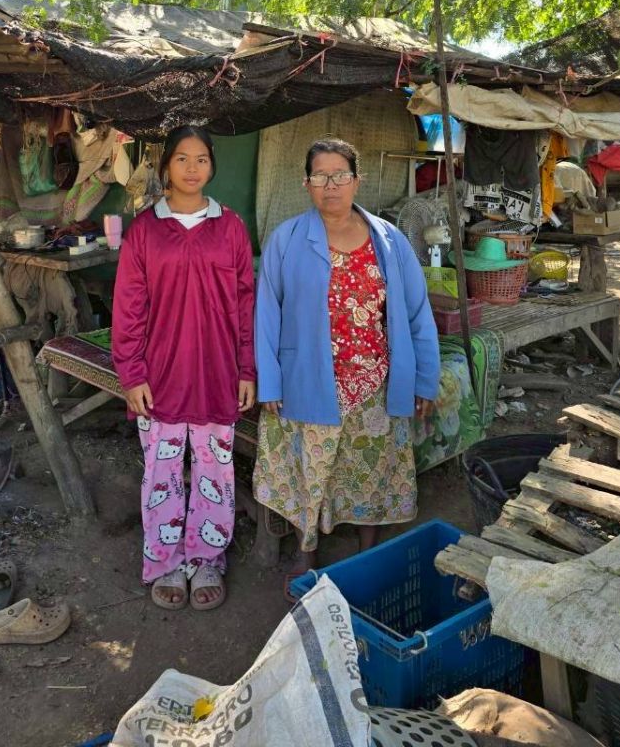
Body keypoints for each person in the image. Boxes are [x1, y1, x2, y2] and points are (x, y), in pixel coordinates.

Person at [253, 137, 440, 595]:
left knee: (371, 470)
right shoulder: (286, 239)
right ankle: (307, 554)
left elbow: (417, 313)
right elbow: (267, 314)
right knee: (309, 471)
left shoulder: (389, 240)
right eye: (320, 176)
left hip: (375, 381)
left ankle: (365, 553)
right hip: (307, 380)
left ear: (358, 181)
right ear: (306, 183)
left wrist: (424, 379)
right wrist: (269, 382)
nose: (331, 185)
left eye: (340, 175)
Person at [112, 125, 256, 611]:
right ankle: (166, 561)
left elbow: (245, 302)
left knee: (215, 471)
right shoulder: (145, 230)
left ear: (212, 166)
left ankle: (207, 558)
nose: (192, 169)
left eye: (201, 159)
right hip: (161, 376)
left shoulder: (230, 227)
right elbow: (128, 308)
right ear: (165, 166)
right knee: (162, 472)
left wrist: (247, 369)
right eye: (182, 159)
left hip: (217, 373)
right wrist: (132, 374)